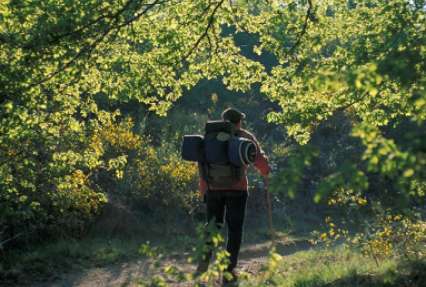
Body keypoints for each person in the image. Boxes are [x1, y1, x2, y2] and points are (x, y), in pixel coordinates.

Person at [197, 107, 270, 285]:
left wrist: (204, 190)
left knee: (212, 227)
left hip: (213, 189)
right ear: (239, 121)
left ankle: (203, 263)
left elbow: (203, 165)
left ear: (223, 120)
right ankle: (228, 271)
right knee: (234, 230)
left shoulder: (210, 137)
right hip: (237, 190)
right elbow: (258, 160)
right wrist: (267, 170)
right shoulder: (246, 136)